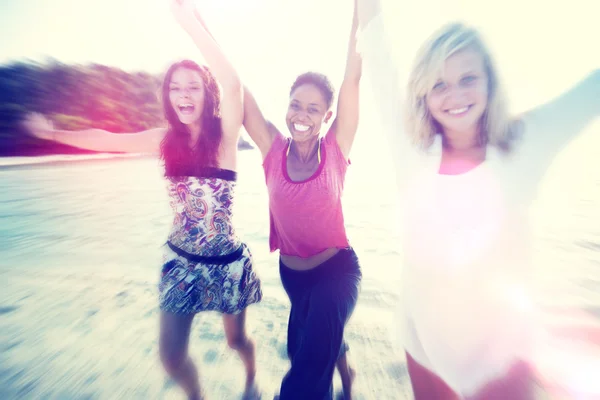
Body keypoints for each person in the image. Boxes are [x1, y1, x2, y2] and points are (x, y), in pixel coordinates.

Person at [356, 0, 599, 399]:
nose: (455, 95)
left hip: (502, 357)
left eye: (468, 78)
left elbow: (592, 90)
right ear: (423, 93)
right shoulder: (412, 152)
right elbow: (381, 57)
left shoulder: (523, 144)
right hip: (425, 350)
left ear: (489, 82)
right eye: (439, 84)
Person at [22, 1, 263, 399]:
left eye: (193, 86)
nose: (184, 94)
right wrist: (53, 134)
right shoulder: (163, 140)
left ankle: (252, 379)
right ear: (168, 96)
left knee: (236, 341)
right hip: (180, 263)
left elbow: (233, 84)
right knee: (170, 356)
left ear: (207, 94)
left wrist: (190, 25)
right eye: (176, 87)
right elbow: (108, 141)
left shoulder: (224, 137)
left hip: (226, 262)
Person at [238, 0, 363, 398]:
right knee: (306, 346)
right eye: (295, 105)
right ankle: (347, 373)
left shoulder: (336, 149)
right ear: (287, 106)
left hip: (337, 271)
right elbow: (237, 90)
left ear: (327, 116)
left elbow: (353, 79)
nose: (301, 115)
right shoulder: (272, 149)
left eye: (313, 109)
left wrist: (360, 12)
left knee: (308, 368)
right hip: (293, 277)